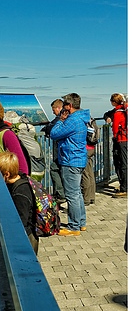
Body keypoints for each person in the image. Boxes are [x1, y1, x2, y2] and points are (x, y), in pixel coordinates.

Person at [46, 94, 91, 236]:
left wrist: (60, 120)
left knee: (72, 195)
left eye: (65, 105)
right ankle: (81, 222)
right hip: (78, 159)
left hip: (70, 160)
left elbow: (54, 133)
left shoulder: (72, 120)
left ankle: (74, 226)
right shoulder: (81, 118)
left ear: (69, 106)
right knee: (77, 193)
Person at [0, 150, 40, 252]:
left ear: (6, 174)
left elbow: (21, 222)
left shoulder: (20, 193)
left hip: (26, 238)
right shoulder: (21, 178)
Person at [106, 93, 127, 196]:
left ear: (114, 102)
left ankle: (125, 187)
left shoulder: (118, 113)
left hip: (121, 140)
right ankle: (124, 185)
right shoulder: (123, 110)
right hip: (124, 139)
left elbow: (115, 128)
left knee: (122, 163)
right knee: (124, 163)